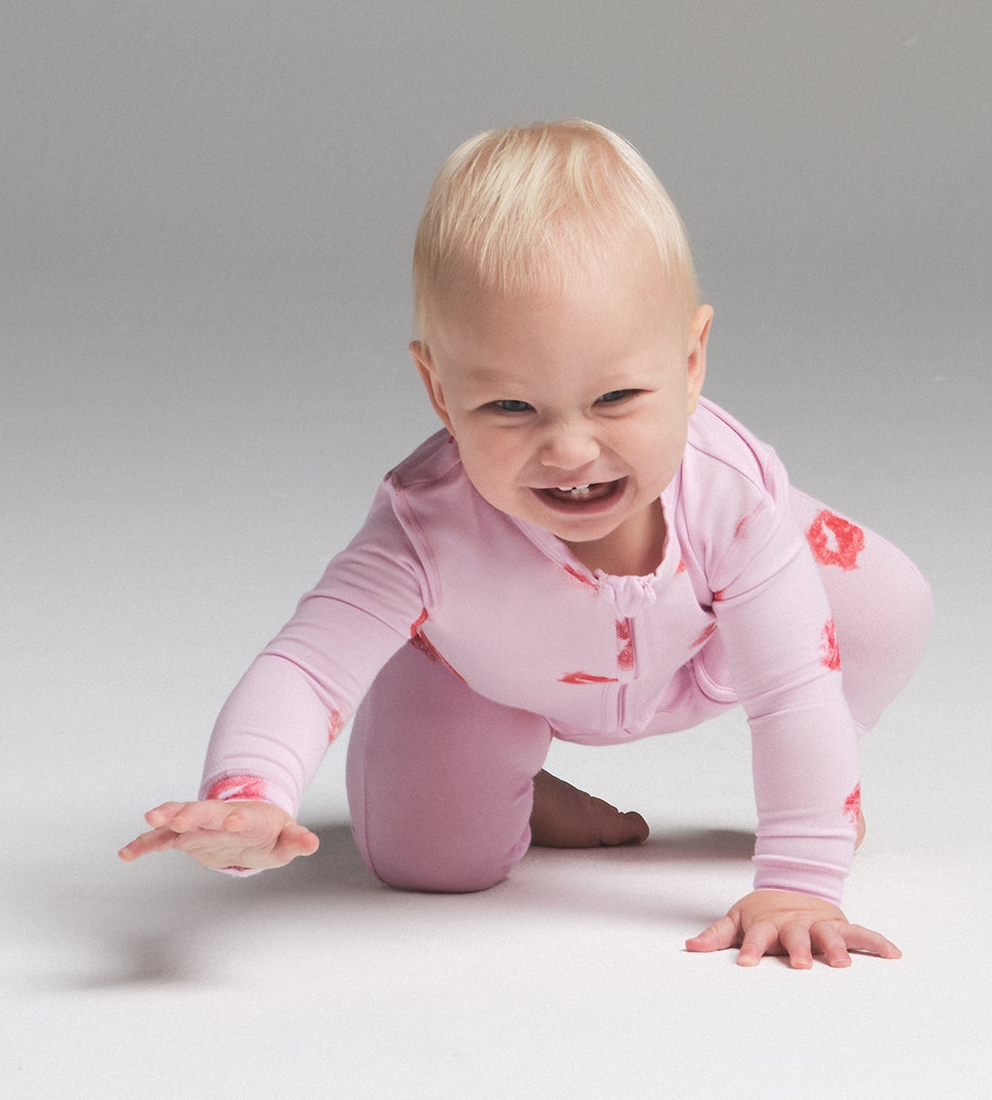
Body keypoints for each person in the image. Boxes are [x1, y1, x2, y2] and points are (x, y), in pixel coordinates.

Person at [119, 120, 934, 969]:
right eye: (511, 408)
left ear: (691, 361)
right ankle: (514, 782)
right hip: (492, 678)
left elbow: (793, 687)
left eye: (616, 398)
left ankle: (825, 793)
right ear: (439, 388)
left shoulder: (731, 498)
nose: (571, 452)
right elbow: (307, 668)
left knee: (885, 605)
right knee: (429, 865)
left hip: (711, 643)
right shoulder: (426, 528)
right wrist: (248, 795)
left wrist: (800, 878)